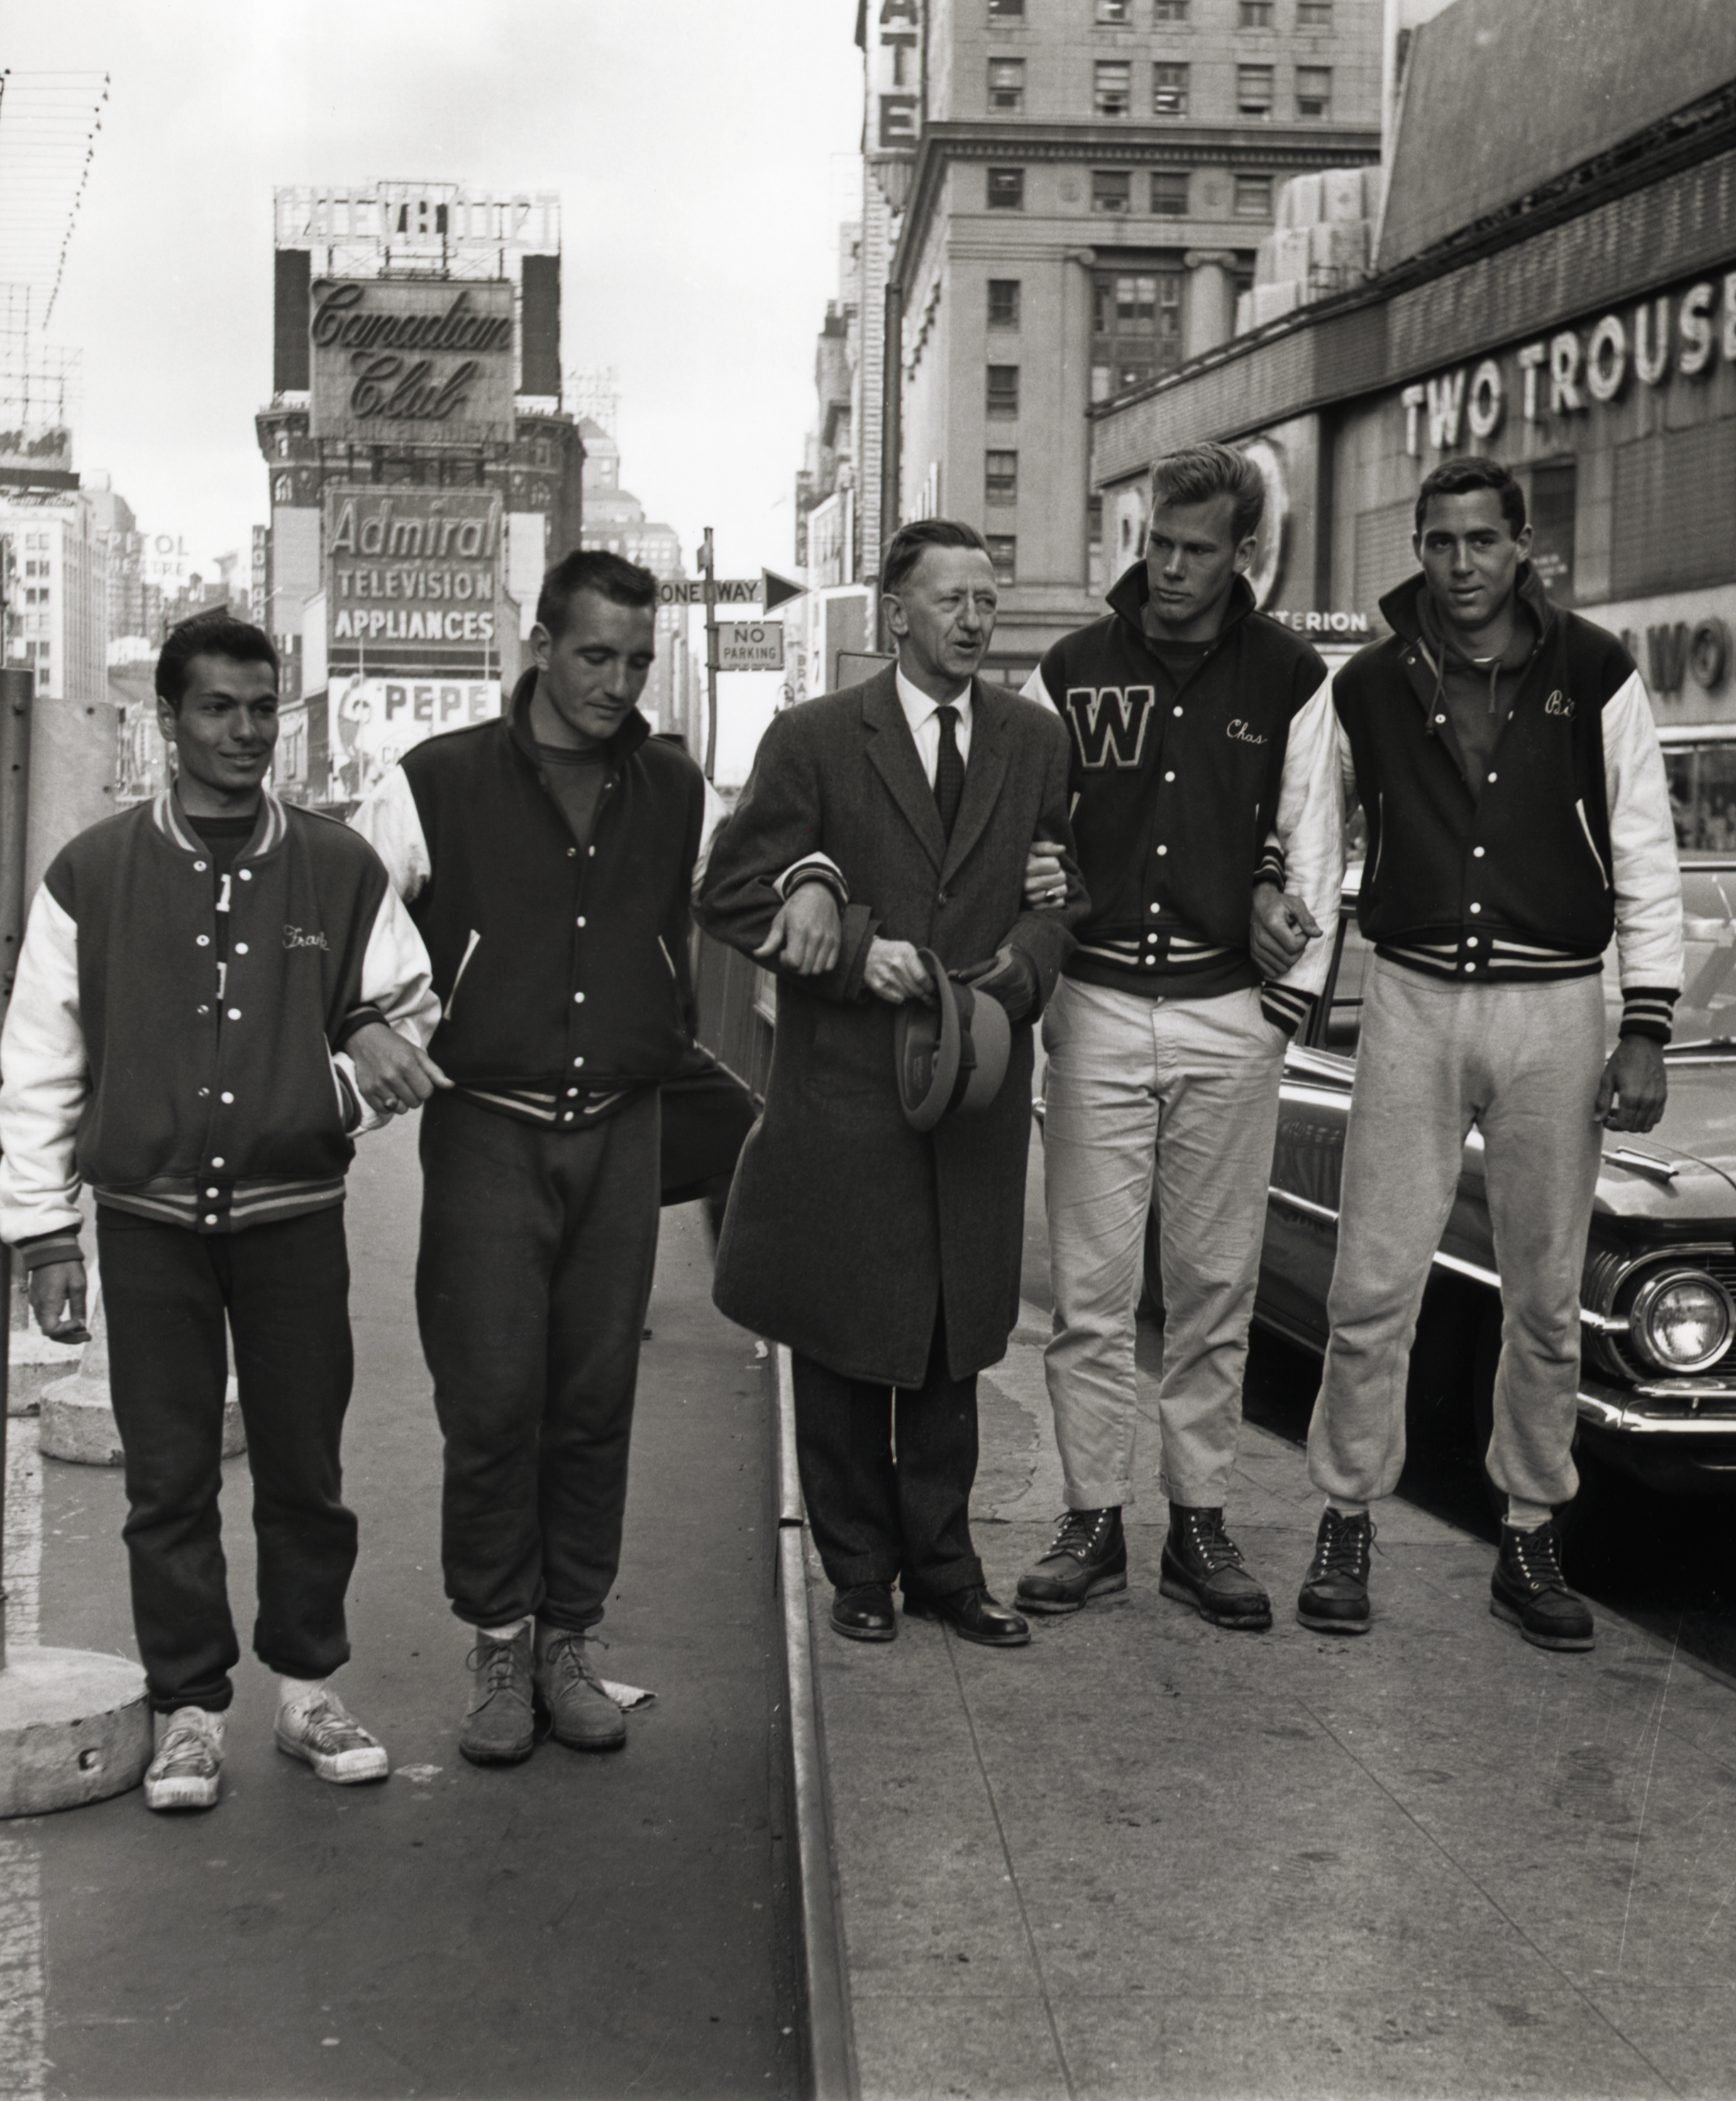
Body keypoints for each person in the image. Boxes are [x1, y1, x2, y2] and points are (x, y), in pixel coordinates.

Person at [0, 612, 439, 1812]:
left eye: (261, 708)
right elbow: (42, 1058)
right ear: (170, 718)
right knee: (169, 1479)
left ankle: (306, 1689)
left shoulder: (339, 865)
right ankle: (190, 1708)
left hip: (295, 1215)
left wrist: (336, 1084)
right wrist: (43, 1230)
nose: (243, 732)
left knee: (305, 1466)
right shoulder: (92, 871)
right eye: (217, 708)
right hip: (146, 1223)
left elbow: (406, 1005)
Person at [1291, 454, 1681, 1652]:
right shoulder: (1361, 685)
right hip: (1410, 998)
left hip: (1556, 1007)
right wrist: (1295, 988)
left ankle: (1528, 1534)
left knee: (1549, 1300)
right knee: (1372, 1286)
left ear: (1521, 546)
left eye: (1482, 540)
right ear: (1418, 548)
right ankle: (1346, 1517)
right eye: (1440, 542)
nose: (1461, 564)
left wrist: (1648, 1024)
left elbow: (1645, 845)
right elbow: (1312, 838)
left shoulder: (1596, 670)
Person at [698, 519, 1083, 1648]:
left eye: (986, 599)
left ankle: (949, 1570)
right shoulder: (815, 739)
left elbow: (1059, 889)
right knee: (844, 1338)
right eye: (951, 599)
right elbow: (728, 893)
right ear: (893, 615)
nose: (974, 619)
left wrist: (1026, 964)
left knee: (956, 1340)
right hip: (849, 1089)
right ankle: (858, 1568)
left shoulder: (1032, 741)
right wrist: (856, 945)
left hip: (972, 1088)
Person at [352, 549, 706, 1764]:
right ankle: (500, 1642)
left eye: (638, 661)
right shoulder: (434, 781)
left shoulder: (673, 784)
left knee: (595, 1398)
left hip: (621, 1122)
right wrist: (362, 1024)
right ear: (541, 645)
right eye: (597, 654)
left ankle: (571, 1642)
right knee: (493, 1394)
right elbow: (346, 924)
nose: (617, 682)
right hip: (489, 1121)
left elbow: (734, 899)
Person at [1017, 443, 1331, 1631]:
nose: (1172, 566)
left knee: (1212, 1287)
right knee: (1092, 1292)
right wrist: (1037, 895)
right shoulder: (1071, 665)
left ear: (1243, 552)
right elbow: (1030, 825)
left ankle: (1200, 1518)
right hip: (1095, 1001)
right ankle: (1092, 1518)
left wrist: (1276, 1009)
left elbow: (1315, 842)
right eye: (1158, 539)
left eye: (1199, 548)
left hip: (1225, 1013)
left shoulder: (1292, 677)